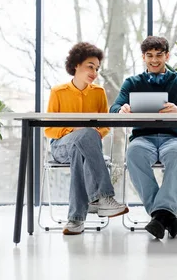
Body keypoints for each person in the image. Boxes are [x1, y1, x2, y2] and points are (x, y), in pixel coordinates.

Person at [109, 36, 177, 240]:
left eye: (159, 55)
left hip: (173, 138)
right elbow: (114, 108)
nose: (154, 60)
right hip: (144, 138)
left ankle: (159, 216)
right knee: (133, 153)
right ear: (143, 57)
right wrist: (122, 109)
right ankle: (166, 215)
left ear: (167, 55)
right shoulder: (132, 83)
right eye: (149, 56)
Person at [44, 42, 128, 235]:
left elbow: (105, 126)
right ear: (76, 65)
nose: (94, 72)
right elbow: (48, 129)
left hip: (85, 149)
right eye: (90, 66)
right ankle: (103, 197)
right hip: (60, 147)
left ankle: (75, 219)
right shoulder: (58, 92)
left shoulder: (98, 93)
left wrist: (91, 134)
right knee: (83, 137)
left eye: (97, 68)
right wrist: (77, 131)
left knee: (81, 147)